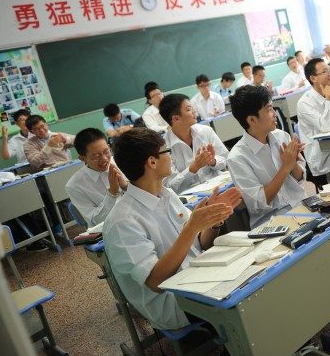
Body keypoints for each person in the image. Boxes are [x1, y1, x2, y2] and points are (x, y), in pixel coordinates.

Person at [104, 127, 241, 331]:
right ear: (152, 162)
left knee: (254, 274)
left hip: (200, 275)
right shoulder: (122, 221)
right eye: (167, 152)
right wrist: (192, 226)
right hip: (173, 302)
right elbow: (155, 282)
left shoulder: (166, 194)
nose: (171, 157)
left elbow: (200, 244)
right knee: (242, 302)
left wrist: (214, 220)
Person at [226, 85, 306, 228]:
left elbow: (300, 179)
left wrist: (293, 162)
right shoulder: (237, 158)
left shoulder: (281, 136)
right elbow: (260, 203)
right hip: (271, 222)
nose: (275, 113)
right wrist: (285, 167)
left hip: (302, 207)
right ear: (251, 120)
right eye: (269, 110)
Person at [159, 94, 229, 194]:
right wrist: (193, 167)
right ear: (176, 119)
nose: (194, 111)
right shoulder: (163, 147)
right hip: (191, 197)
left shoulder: (206, 131)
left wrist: (212, 161)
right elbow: (170, 186)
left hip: (218, 186)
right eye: (188, 109)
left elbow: (226, 159)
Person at [65, 128, 127, 227]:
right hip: (111, 229)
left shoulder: (121, 162)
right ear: (82, 158)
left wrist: (125, 186)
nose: (104, 159)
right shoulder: (74, 186)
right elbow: (95, 221)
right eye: (96, 156)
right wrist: (112, 194)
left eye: (106, 151)